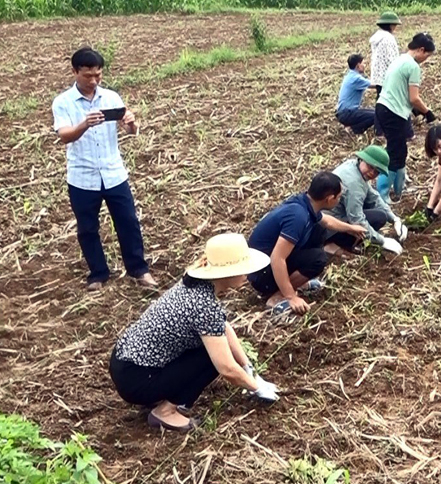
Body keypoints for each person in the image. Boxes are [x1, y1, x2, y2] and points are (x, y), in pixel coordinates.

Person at [109, 233, 279, 432]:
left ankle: (164, 393)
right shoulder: (204, 306)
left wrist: (248, 368)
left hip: (125, 364)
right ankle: (165, 411)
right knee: (211, 358)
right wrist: (256, 388)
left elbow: (223, 327)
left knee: (213, 348)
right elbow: (226, 368)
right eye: (242, 270)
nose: (247, 276)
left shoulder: (196, 287)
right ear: (224, 272)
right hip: (136, 379)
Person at [52, 47, 157, 292]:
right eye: (88, 75)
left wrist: (132, 124)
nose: (94, 80)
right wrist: (84, 124)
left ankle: (138, 269)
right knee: (87, 228)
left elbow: (130, 130)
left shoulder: (111, 98)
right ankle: (98, 274)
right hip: (82, 177)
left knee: (128, 222)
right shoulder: (63, 102)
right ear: (74, 71)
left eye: (98, 75)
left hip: (114, 173)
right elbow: (65, 136)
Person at [248, 171, 367, 316]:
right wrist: (291, 296)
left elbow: (327, 221)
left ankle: (298, 282)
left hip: (265, 263)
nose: (339, 200)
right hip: (262, 274)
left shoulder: (305, 202)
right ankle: (278, 296)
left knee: (319, 229)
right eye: (339, 197)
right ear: (329, 199)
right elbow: (277, 258)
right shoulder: (298, 217)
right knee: (318, 259)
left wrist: (350, 228)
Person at [375, 33, 437, 201]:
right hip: (393, 113)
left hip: (383, 107)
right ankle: (383, 193)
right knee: (396, 153)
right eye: (427, 56)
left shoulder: (400, 59)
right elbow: (414, 98)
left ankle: (398, 189)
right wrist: (427, 112)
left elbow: (399, 90)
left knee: (398, 151)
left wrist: (415, 111)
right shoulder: (413, 67)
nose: (426, 59)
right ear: (421, 50)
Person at [329, 146, 408, 255]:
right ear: (362, 159)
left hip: (335, 216)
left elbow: (373, 197)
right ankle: (335, 243)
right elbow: (357, 219)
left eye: (377, 172)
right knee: (379, 218)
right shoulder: (354, 183)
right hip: (328, 227)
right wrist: (382, 241)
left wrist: (394, 219)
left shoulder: (354, 166)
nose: (372, 173)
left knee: (380, 212)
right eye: (370, 167)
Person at [336, 54, 377, 135]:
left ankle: (351, 126)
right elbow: (375, 85)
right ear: (358, 65)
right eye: (363, 63)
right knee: (376, 115)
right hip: (347, 113)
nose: (364, 66)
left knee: (375, 112)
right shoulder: (356, 79)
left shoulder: (350, 75)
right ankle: (353, 129)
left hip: (344, 112)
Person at [369, 11, 402, 97]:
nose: (395, 28)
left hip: (378, 77)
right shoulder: (388, 38)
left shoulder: (377, 37)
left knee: (380, 99)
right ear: (390, 25)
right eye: (394, 25)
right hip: (388, 77)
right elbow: (391, 59)